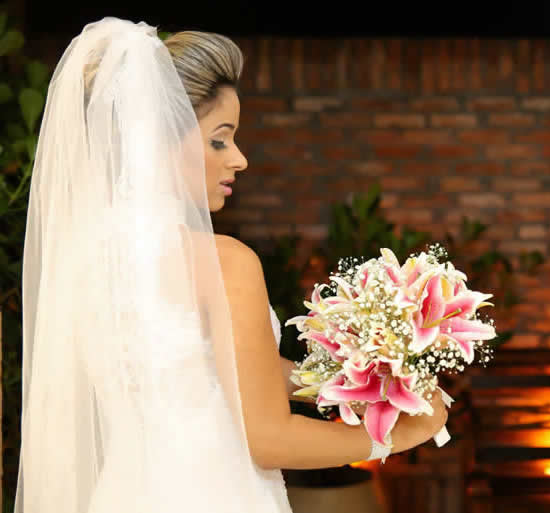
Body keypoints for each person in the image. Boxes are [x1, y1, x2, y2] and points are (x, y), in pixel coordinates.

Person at [15, 16, 447, 513]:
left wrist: (358, 381)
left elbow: (200, 371)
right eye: (220, 139)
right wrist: (403, 434)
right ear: (155, 140)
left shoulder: (83, 260)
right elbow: (269, 440)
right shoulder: (224, 263)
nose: (239, 159)